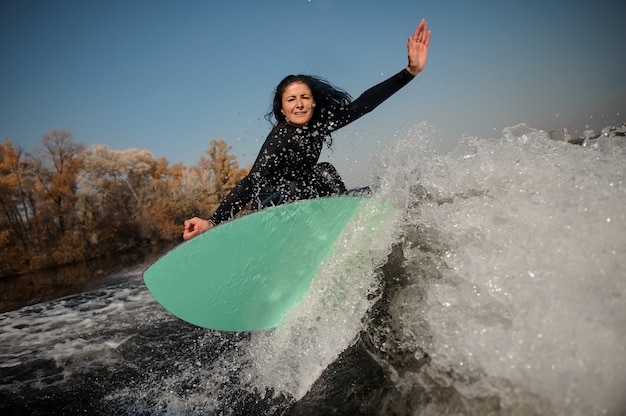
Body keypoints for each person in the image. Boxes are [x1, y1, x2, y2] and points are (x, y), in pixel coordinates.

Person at [183, 19, 431, 240]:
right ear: (282, 109)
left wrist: (409, 73)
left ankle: (344, 227)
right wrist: (214, 221)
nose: (299, 104)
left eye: (304, 97)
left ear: (313, 102)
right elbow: (253, 180)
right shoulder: (280, 137)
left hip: (302, 202)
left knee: (325, 173)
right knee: (301, 184)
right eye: (291, 100)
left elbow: (362, 105)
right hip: (271, 207)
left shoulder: (319, 124)